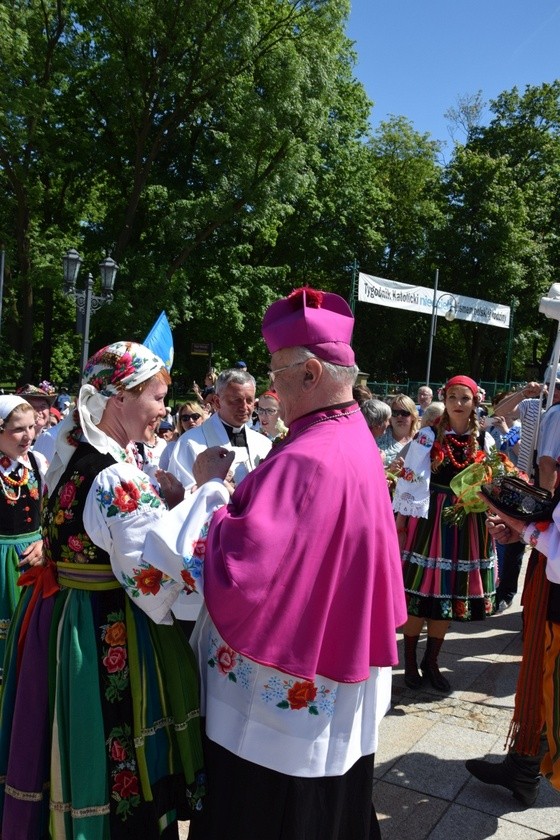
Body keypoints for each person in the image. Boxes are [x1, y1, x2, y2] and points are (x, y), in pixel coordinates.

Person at [146, 286, 407, 840]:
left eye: (278, 372)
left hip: (280, 695)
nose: (270, 388)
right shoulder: (349, 434)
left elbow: (244, 569)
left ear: (311, 372)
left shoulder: (310, 457)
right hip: (333, 658)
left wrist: (208, 499)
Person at [0, 342, 205, 839]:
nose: (163, 410)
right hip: (106, 623)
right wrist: (204, 494)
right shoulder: (117, 477)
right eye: (156, 398)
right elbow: (155, 577)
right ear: (119, 398)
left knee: (62, 732)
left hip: (62, 613)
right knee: (111, 732)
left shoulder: (68, 455)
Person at [393, 375, 497, 693]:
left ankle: (431, 661)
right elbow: (409, 480)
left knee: (448, 595)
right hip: (429, 519)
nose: (458, 403)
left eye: (464, 398)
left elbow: (490, 484)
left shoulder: (484, 441)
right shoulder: (427, 436)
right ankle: (410, 662)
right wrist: (400, 523)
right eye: (452, 397)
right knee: (421, 595)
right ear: (445, 399)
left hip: (466, 522)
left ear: (474, 402)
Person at [0, 396, 47, 679]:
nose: (28, 435)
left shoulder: (37, 462)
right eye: (18, 429)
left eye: (31, 427)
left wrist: (44, 541)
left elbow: (50, 509)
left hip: (33, 558)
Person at [168, 369, 271, 491]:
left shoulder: (264, 443)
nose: (244, 407)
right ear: (217, 402)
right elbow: (181, 492)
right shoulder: (190, 442)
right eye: (236, 400)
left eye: (249, 400)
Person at [377, 393, 420, 464]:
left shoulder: (421, 438)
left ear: (413, 416)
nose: (399, 416)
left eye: (404, 413)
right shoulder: (379, 437)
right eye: (395, 413)